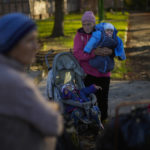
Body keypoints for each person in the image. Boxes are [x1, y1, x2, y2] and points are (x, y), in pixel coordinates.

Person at [0, 13, 63, 150]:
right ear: (11, 44)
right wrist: (53, 108)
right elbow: (54, 125)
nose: (36, 47)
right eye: (30, 41)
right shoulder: (15, 82)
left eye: (36, 40)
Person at [73, 11, 126, 123]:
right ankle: (90, 122)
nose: (87, 27)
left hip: (104, 73)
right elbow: (77, 54)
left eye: (89, 24)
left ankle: (103, 121)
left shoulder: (103, 32)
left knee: (103, 98)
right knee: (89, 99)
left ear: (94, 23)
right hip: (87, 73)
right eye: (84, 24)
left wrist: (111, 51)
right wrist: (94, 53)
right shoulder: (80, 36)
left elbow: (115, 43)